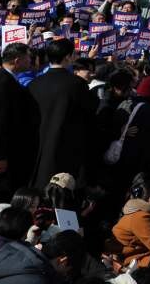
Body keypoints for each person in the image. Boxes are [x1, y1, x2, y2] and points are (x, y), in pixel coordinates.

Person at [27, 40, 95, 189]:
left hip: (35, 148)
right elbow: (88, 117)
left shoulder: (34, 84)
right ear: (67, 57)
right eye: (74, 54)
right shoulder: (77, 85)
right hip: (66, 150)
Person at [0, 45, 37, 204]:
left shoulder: (8, 79)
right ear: (17, 60)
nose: (31, 61)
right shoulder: (2, 83)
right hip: (3, 155)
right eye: (28, 57)